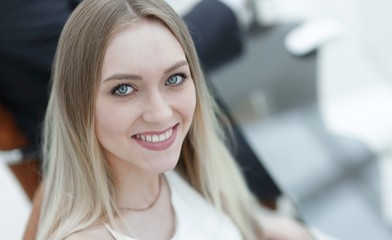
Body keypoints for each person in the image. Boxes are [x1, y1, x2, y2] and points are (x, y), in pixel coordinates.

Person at [36, 0, 311, 239]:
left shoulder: (186, 170)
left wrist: (257, 226)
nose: (161, 113)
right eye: (123, 89)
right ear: (77, 103)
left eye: (175, 78)